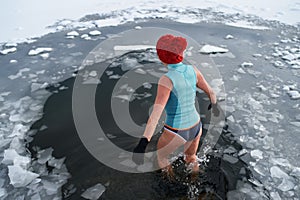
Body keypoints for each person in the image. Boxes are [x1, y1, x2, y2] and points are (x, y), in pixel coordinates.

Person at [132, 34, 219, 177]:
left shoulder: (166, 80)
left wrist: (143, 142)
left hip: (176, 131)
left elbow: (156, 115)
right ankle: (194, 182)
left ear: (161, 58)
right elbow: (211, 92)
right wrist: (214, 106)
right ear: (182, 53)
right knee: (191, 158)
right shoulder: (193, 70)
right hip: (196, 126)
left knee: (162, 157)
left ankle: (170, 186)